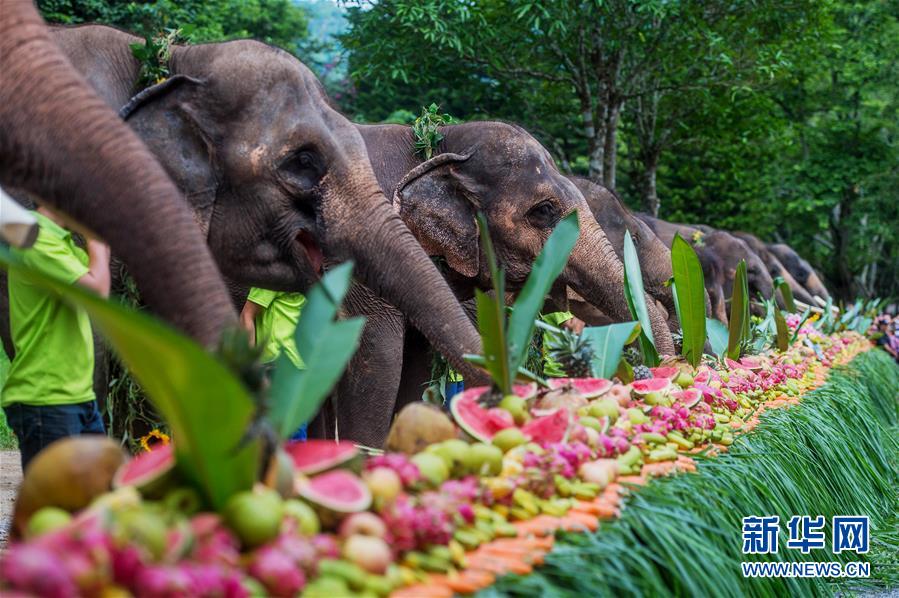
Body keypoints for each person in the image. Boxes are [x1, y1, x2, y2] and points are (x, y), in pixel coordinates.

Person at [3, 206, 110, 469]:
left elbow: (96, 276)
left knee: (93, 503)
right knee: (53, 507)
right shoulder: (36, 240)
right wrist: (96, 238)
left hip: (76, 398)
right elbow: (97, 293)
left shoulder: (61, 242)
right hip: (47, 401)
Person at [240, 288, 307, 439]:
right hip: (275, 366)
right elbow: (246, 315)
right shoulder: (273, 275)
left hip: (299, 369)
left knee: (295, 439)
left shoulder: (311, 277)